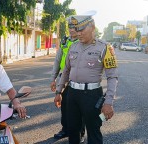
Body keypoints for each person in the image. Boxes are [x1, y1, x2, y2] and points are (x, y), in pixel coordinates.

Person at [54, 11, 118, 144]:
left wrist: (109, 102)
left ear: (92, 27)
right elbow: (66, 71)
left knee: (93, 132)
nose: (78, 33)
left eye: (82, 29)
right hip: (72, 94)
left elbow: (112, 77)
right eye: (77, 29)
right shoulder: (73, 46)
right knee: (73, 131)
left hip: (92, 96)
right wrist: (59, 91)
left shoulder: (105, 48)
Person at [50, 15, 85, 142]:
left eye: (74, 27)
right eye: (70, 27)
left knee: (78, 107)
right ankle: (65, 129)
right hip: (63, 78)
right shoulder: (64, 41)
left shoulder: (83, 42)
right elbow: (57, 60)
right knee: (64, 105)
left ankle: (80, 132)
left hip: (77, 78)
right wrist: (53, 78)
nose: (71, 30)